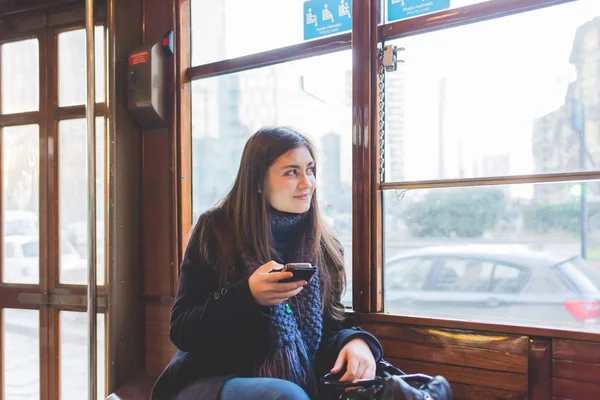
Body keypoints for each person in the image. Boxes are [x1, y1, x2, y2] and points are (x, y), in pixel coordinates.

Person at [151, 126, 383, 400]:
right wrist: (248, 295)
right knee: (285, 395)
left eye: (309, 170)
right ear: (258, 182)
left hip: (295, 378)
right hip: (210, 378)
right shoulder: (217, 229)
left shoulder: (323, 242)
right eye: (291, 172)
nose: (307, 182)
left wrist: (356, 341)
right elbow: (183, 330)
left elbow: (332, 322)